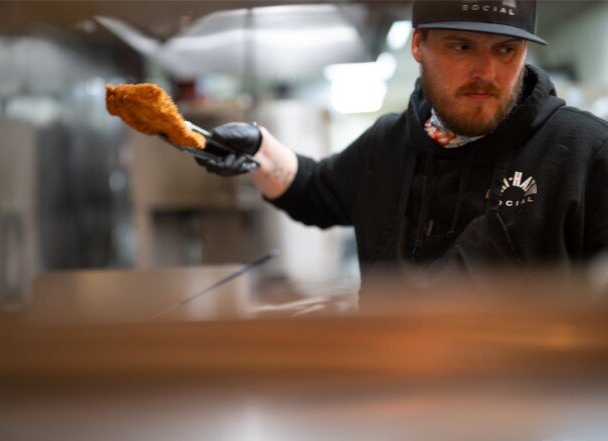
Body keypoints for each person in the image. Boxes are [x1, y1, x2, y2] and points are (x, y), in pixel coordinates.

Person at [194, 0, 608, 296]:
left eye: (505, 50)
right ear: (418, 45)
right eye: (460, 46)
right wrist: (259, 148)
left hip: (536, 407)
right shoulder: (386, 145)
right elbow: (312, 189)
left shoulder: (584, 151)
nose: (486, 71)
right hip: (394, 394)